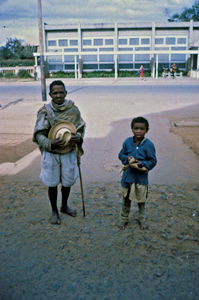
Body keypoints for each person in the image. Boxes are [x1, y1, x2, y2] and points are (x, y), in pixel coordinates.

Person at [33, 80, 86, 225]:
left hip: (68, 151)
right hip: (52, 153)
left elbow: (80, 128)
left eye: (61, 92)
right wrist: (50, 143)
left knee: (67, 182)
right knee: (52, 183)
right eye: (55, 93)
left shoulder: (73, 110)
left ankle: (64, 206)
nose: (58, 95)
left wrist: (78, 137)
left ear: (66, 93)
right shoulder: (45, 111)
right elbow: (38, 134)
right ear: (50, 94)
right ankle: (54, 210)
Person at [118, 116, 157, 230]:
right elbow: (121, 155)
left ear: (146, 130)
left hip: (141, 178)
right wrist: (127, 159)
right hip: (128, 178)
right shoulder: (127, 142)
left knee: (141, 200)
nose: (139, 131)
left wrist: (141, 164)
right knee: (126, 200)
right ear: (132, 129)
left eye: (142, 129)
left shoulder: (149, 144)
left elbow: (153, 161)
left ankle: (142, 219)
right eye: (136, 128)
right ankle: (124, 219)